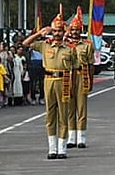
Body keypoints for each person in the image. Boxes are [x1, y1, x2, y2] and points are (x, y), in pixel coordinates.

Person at [23, 10, 77, 159]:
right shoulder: (44, 45)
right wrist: (39, 33)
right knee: (50, 115)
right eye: (54, 30)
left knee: (63, 115)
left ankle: (62, 148)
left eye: (60, 30)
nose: (57, 33)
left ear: (63, 31)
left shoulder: (70, 49)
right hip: (48, 80)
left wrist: (72, 87)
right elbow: (25, 44)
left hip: (64, 80)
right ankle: (52, 148)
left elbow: (74, 69)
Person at [66, 7, 94, 148]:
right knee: (70, 108)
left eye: (77, 29)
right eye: (72, 29)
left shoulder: (87, 45)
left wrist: (91, 80)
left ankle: (81, 137)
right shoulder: (65, 45)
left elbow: (91, 64)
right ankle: (71, 137)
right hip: (69, 76)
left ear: (81, 30)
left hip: (82, 75)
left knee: (81, 107)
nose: (75, 32)